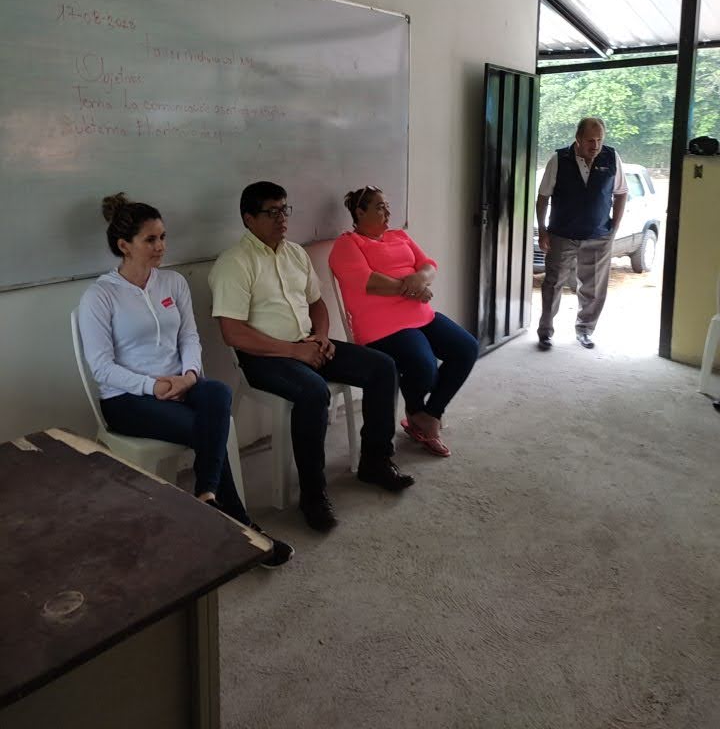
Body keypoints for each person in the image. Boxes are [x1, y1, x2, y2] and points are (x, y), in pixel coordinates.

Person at [78, 193, 293, 568]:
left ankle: (207, 494)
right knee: (206, 428)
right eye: (150, 239)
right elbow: (101, 367)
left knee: (217, 392)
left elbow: (189, 338)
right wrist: (154, 386)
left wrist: (189, 375)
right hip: (126, 398)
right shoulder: (100, 296)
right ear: (124, 245)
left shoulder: (173, 283)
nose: (161, 246)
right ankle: (238, 523)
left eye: (163, 237)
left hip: (181, 383)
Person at [208, 181, 415, 534]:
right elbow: (233, 333)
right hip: (263, 355)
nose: (281, 219)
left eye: (284, 210)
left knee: (382, 367)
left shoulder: (295, 254)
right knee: (313, 392)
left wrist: (320, 337)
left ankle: (375, 461)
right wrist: (294, 351)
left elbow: (317, 303)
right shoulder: (234, 263)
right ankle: (313, 495)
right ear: (249, 219)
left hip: (307, 342)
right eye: (271, 212)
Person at [329, 186, 479, 458]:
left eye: (387, 206)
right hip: (381, 325)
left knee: (466, 348)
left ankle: (428, 415)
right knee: (425, 366)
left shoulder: (399, 236)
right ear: (359, 212)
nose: (387, 212)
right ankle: (417, 412)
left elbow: (429, 265)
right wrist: (413, 288)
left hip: (420, 314)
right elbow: (368, 281)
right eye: (379, 207)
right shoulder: (347, 244)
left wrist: (420, 279)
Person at [536, 116, 628, 350]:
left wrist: (614, 228)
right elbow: (543, 197)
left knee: (593, 288)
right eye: (590, 140)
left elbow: (621, 193)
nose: (595, 145)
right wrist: (543, 230)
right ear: (578, 138)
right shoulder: (559, 159)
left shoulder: (612, 157)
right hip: (562, 234)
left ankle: (585, 330)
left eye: (599, 140)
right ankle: (545, 331)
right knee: (553, 283)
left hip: (598, 235)